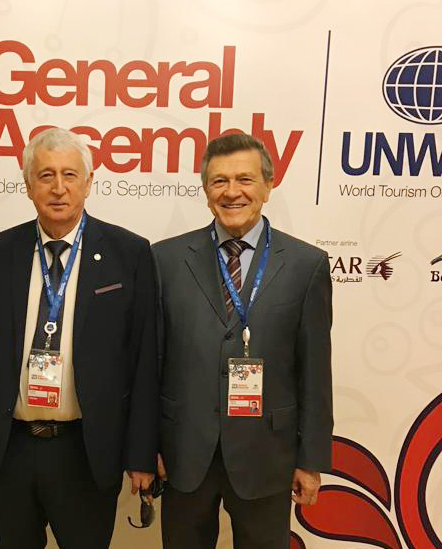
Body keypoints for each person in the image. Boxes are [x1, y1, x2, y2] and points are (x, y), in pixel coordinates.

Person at [0, 127, 158, 548]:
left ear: (89, 181)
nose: (59, 187)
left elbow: (144, 359)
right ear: (29, 185)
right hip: (12, 448)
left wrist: (141, 453)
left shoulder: (130, 253)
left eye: (70, 174)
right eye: (46, 175)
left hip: (87, 449)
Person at [153, 133, 333, 548]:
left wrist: (311, 460)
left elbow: (315, 371)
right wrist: (146, 449)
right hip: (184, 452)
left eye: (245, 179)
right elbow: (152, 362)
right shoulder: (164, 259)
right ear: (205, 190)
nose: (232, 192)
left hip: (268, 454)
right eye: (219, 181)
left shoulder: (306, 264)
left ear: (268, 186)